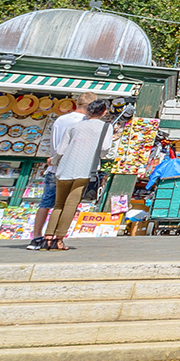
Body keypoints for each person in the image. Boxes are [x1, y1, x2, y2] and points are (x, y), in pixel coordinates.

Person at [43, 100, 113, 250]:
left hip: (64, 168)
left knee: (59, 204)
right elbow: (105, 148)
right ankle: (59, 238)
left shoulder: (74, 126)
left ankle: (47, 237)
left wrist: (52, 161)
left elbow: (60, 150)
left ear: (88, 111)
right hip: (85, 169)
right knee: (71, 204)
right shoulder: (106, 127)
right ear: (104, 112)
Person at [26, 103, 86, 250]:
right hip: (71, 169)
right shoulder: (84, 122)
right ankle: (56, 239)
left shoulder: (60, 120)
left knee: (46, 203)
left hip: (54, 167)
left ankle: (37, 237)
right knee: (65, 205)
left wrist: (53, 159)